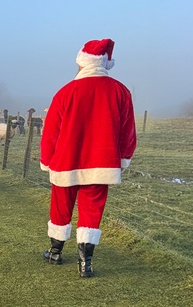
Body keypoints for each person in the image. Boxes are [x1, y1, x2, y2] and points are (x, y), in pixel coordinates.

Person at [40, 38, 137, 277]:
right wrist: (123, 158)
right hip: (101, 164)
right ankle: (86, 264)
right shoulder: (120, 91)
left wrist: (47, 159)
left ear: (82, 62)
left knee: (60, 207)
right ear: (104, 63)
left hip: (66, 161)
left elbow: (51, 130)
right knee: (92, 210)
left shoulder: (65, 92)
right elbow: (128, 131)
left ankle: (55, 252)